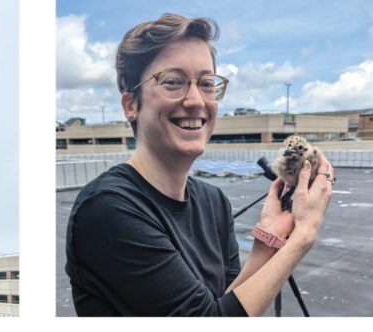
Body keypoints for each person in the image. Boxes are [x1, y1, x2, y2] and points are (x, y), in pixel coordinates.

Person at [65, 14, 334, 316]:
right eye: (172, 82)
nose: (195, 100)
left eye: (207, 83)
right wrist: (303, 236)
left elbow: (228, 304)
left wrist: (268, 238)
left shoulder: (213, 201)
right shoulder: (107, 210)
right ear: (131, 106)